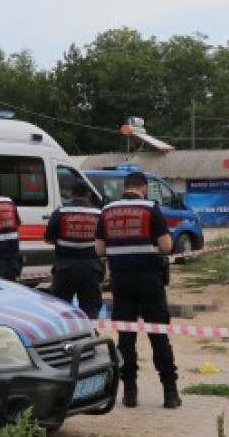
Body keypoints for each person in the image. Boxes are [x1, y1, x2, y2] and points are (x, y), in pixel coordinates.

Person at [95, 171, 180, 409]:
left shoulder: (107, 211)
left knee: (126, 337)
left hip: (121, 282)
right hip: (150, 281)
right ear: (143, 188)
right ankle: (170, 393)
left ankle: (130, 393)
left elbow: (99, 249)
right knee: (158, 336)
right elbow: (166, 246)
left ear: (125, 187)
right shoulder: (151, 209)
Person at [45, 179, 103, 318]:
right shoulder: (99, 214)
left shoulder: (60, 212)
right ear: (88, 195)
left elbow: (48, 238)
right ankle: (89, 338)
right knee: (90, 313)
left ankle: (66, 338)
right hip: (91, 269)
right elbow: (103, 241)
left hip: (65, 270)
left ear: (71, 194)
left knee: (61, 311)